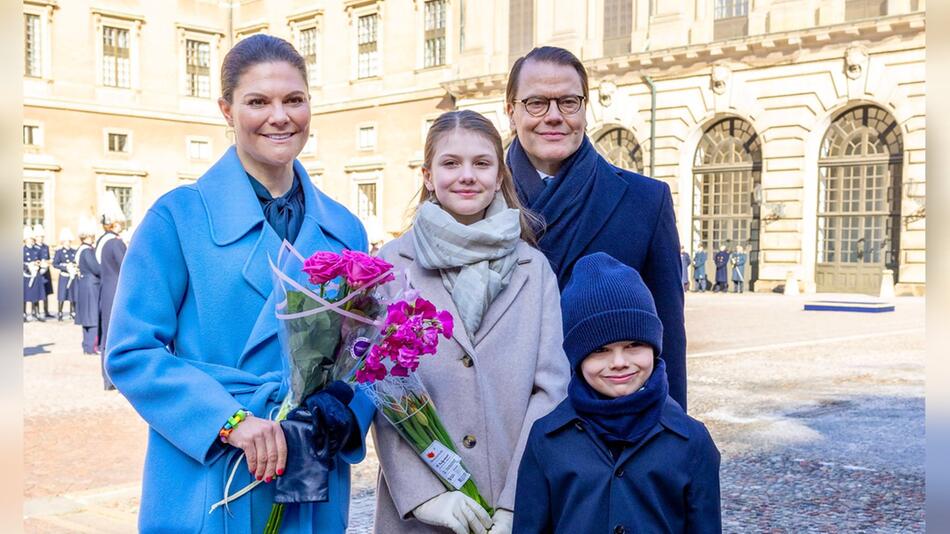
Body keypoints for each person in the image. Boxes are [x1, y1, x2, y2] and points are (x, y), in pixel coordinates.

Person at [104, 35, 375, 534]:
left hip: (309, 465)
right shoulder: (177, 218)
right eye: (258, 101)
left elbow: (366, 358)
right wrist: (229, 422)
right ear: (227, 110)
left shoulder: (346, 229)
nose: (280, 116)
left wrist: (342, 409)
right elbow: (131, 351)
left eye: (294, 99)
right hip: (213, 470)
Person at [373, 110, 570, 534]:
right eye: (450, 163)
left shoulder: (532, 269)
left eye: (481, 163)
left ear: (499, 176)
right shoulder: (390, 266)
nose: (467, 176)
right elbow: (381, 388)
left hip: (507, 505)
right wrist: (425, 495)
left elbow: (550, 389)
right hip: (422, 515)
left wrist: (520, 500)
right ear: (427, 176)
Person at [505, 46, 687, 409]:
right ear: (511, 112)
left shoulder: (646, 200)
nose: (554, 116)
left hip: (606, 428)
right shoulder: (476, 197)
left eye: (568, 102)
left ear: (585, 109)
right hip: (503, 417)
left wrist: (674, 440)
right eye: (536, 103)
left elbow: (668, 337)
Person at [513, 252, 721, 534]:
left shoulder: (692, 441)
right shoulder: (546, 439)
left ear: (654, 347)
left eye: (634, 345)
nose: (619, 362)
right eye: (601, 350)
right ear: (578, 357)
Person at [96, 198, 127, 390]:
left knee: (107, 333)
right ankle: (112, 378)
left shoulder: (102, 241)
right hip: (116, 289)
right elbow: (128, 265)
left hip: (105, 288)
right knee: (115, 333)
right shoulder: (115, 243)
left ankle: (107, 379)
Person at [74, 223, 101, 355]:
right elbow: (96, 268)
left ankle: (87, 345)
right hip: (92, 284)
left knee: (87, 316)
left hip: (85, 284)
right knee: (93, 315)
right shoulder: (87, 251)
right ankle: (92, 345)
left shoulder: (81, 250)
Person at [53, 228, 79, 321]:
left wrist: (74, 267)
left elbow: (77, 262)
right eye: (65, 241)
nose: (67, 242)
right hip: (64, 275)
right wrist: (65, 267)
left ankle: (73, 312)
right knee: (62, 295)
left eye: (69, 241)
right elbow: (55, 264)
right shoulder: (59, 252)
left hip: (73, 276)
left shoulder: (74, 251)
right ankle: (60, 312)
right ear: (62, 241)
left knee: (73, 294)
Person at [22, 226, 45, 322]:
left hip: (36, 274)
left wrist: (38, 264)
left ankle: (38, 312)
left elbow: (40, 260)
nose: (30, 241)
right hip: (26, 275)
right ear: (25, 240)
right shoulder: (23, 250)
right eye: (28, 239)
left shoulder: (37, 250)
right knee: (25, 295)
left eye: (32, 239)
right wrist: (29, 266)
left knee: (37, 294)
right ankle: (24, 313)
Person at [32, 224, 55, 319]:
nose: (40, 238)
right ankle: (35, 311)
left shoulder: (46, 247)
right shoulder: (33, 247)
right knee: (36, 292)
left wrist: (47, 262)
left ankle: (46, 310)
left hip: (46, 272)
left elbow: (49, 258)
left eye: (42, 236)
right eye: (38, 237)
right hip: (37, 272)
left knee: (46, 291)